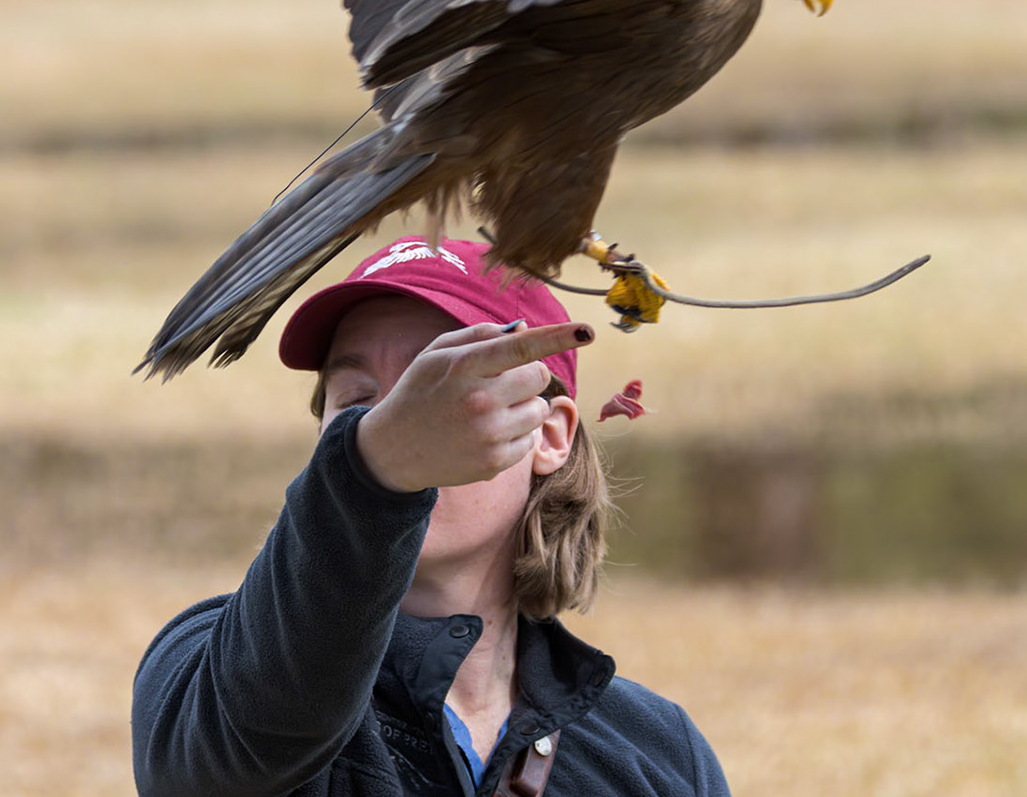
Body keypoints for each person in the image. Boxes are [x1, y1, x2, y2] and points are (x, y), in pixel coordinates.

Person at [132, 236, 730, 797]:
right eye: (357, 403)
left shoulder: (659, 751)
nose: (398, 421)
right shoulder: (205, 671)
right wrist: (377, 471)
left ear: (548, 437)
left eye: (448, 390)